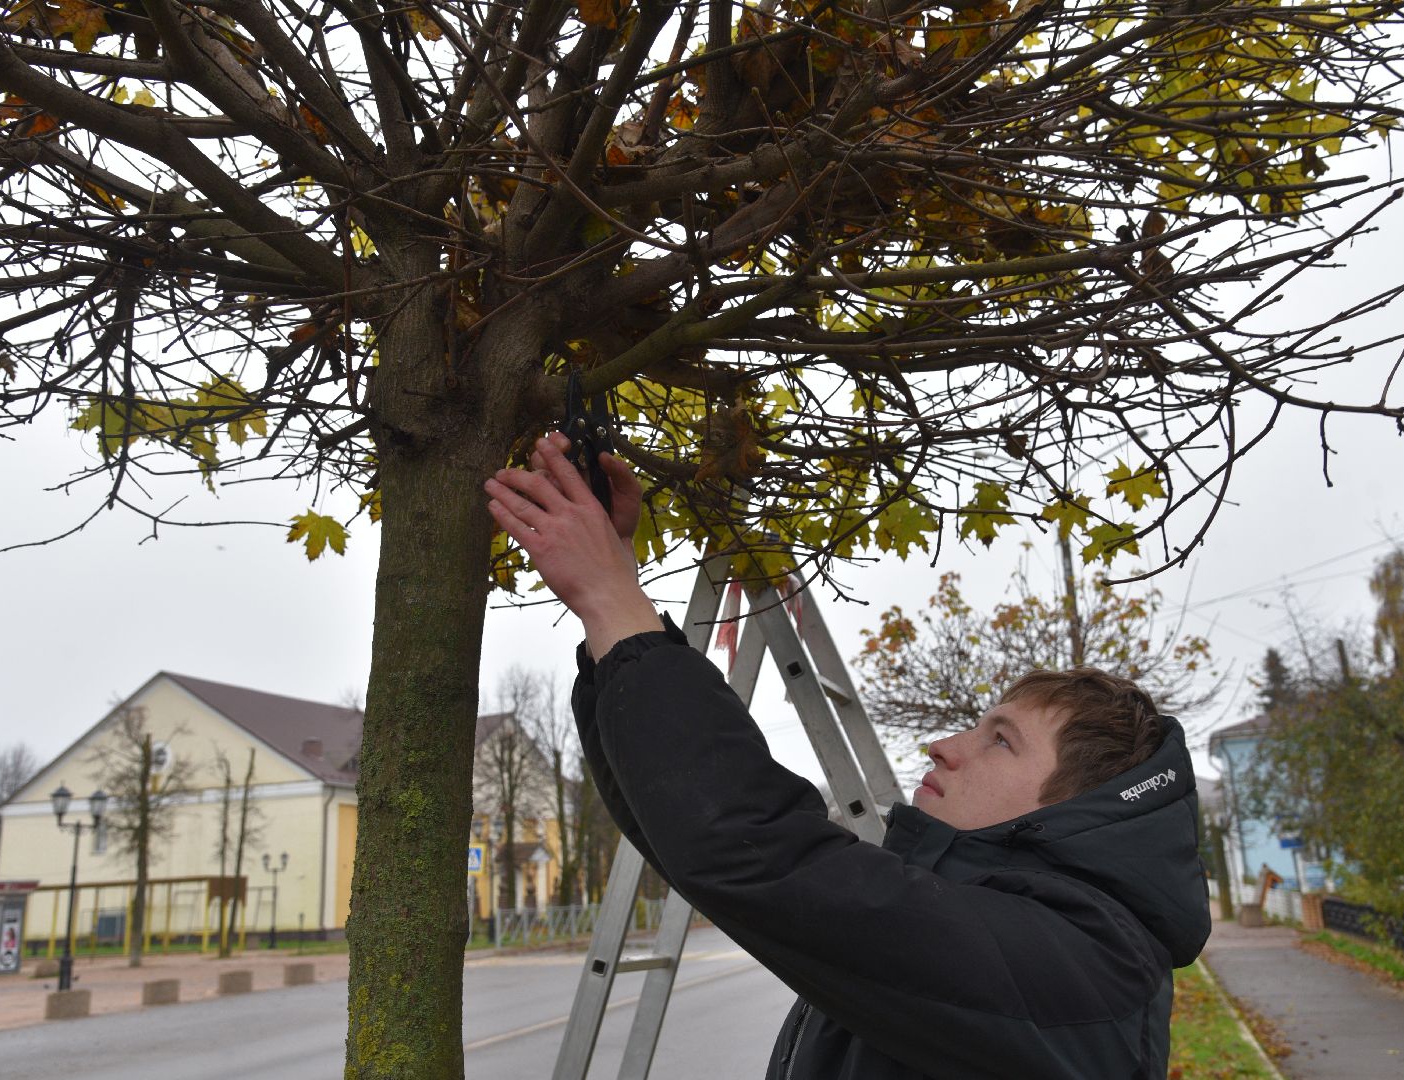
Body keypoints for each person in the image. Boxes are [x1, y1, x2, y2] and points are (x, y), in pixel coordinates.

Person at [483, 435, 1211, 1080]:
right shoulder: (1033, 931)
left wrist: (614, 600)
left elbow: (758, 852)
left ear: (1075, 808)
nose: (945, 746)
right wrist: (610, 627)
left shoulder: (1075, 969)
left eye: (999, 739)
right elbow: (688, 834)